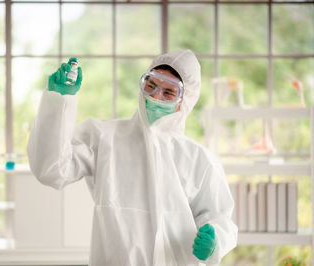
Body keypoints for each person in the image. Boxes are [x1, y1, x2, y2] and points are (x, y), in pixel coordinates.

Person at [27, 50, 238, 265]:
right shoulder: (104, 138)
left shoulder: (199, 159)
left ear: (185, 100)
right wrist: (58, 102)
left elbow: (219, 217)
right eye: (151, 85)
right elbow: (52, 170)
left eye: (168, 92)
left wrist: (215, 240)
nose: (156, 96)